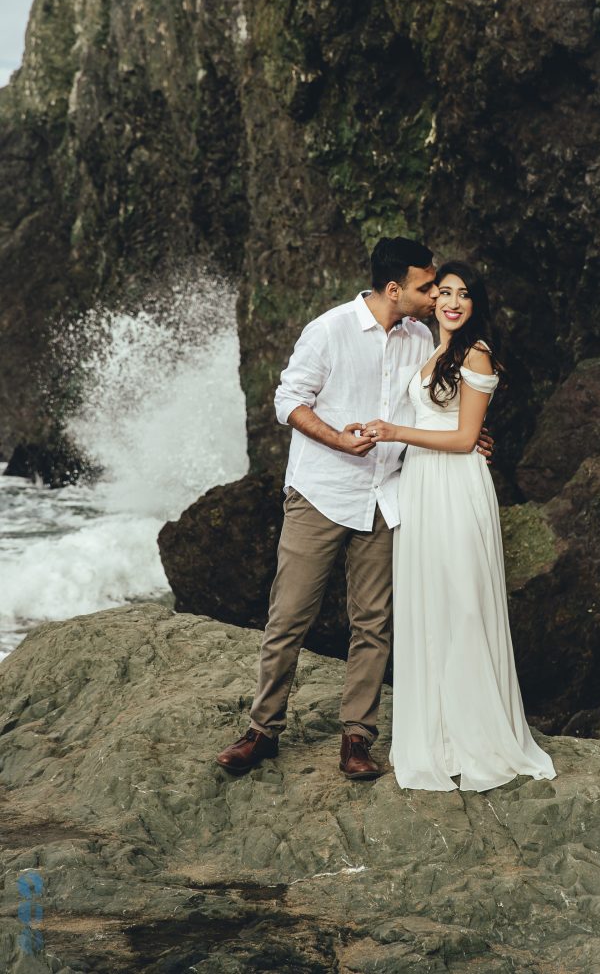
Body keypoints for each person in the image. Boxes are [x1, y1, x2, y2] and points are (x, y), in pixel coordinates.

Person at [215, 238, 493, 780]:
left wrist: (473, 437)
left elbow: (444, 403)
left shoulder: (423, 339)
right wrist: (337, 441)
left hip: (390, 494)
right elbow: (288, 399)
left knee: (373, 623)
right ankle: (262, 731)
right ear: (395, 289)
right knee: (289, 616)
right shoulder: (329, 330)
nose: (436, 294)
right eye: (426, 285)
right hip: (323, 492)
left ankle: (357, 738)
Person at [363, 261, 556, 791]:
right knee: (431, 601)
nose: (451, 301)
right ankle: (438, 731)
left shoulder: (476, 352)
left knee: (465, 601)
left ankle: (480, 733)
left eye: (463, 294)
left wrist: (394, 430)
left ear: (475, 305)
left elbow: (467, 437)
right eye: (443, 291)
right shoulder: (430, 347)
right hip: (421, 483)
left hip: (456, 482)